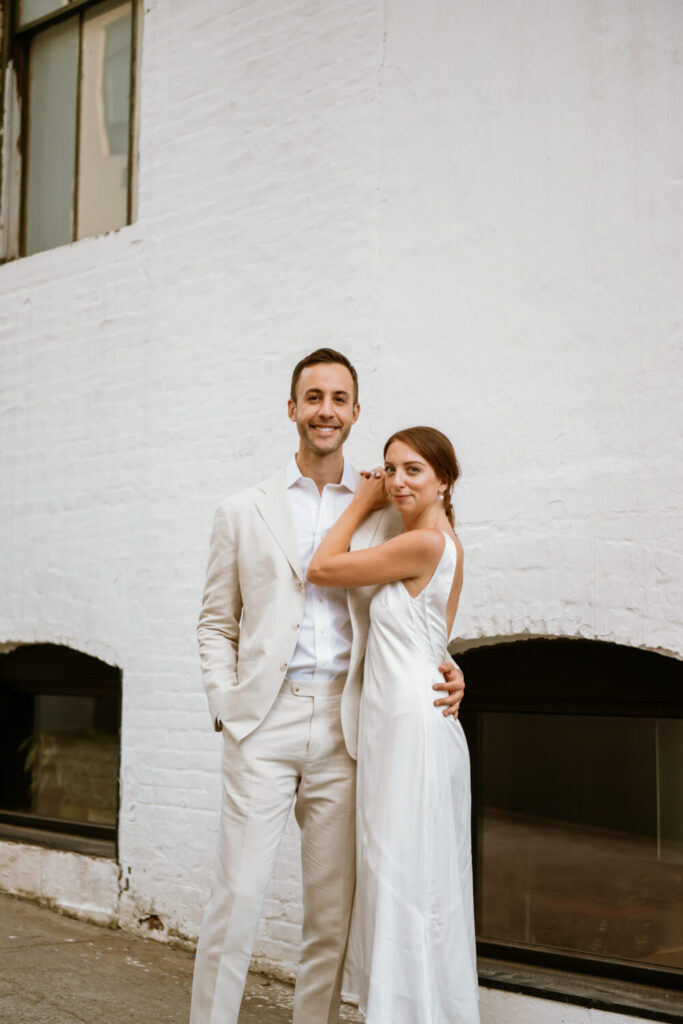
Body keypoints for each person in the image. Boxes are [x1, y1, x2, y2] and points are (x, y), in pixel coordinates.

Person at [189, 351, 466, 1024]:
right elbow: (214, 621)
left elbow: (421, 600)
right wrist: (227, 705)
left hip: (349, 729)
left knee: (329, 917)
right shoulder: (241, 510)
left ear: (354, 413)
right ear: (292, 409)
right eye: (312, 397)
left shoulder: (383, 513)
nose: (325, 410)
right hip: (264, 723)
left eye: (339, 399)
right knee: (237, 899)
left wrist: (449, 665)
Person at [307, 425, 479, 1024]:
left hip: (410, 726)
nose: (399, 481)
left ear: (444, 481)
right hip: (407, 717)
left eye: (414, 471)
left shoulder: (426, 543)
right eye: (392, 469)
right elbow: (434, 642)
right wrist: (455, 670)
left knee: (406, 877)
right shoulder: (440, 542)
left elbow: (322, 568)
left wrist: (361, 501)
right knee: (412, 874)